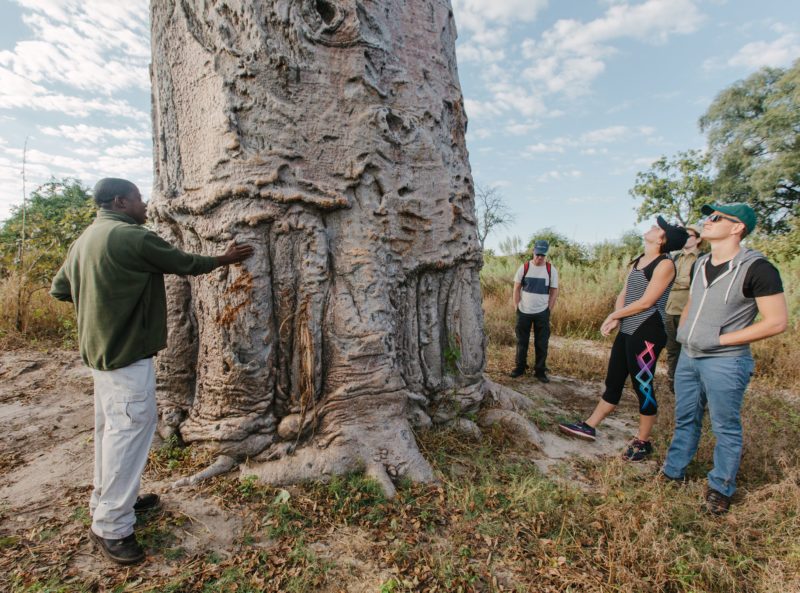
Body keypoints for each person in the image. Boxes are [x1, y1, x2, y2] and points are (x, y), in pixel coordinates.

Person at [50, 178, 254, 565]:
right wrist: (226, 259)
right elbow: (186, 264)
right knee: (128, 435)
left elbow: (61, 289)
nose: (146, 206)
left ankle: (108, 501)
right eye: (140, 200)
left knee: (111, 433)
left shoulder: (85, 240)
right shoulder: (132, 237)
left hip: (99, 356)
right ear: (121, 201)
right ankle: (112, 527)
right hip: (127, 357)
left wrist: (104, 297)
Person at [662, 203, 787, 515]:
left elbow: (776, 322)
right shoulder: (702, 261)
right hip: (689, 356)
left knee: (725, 425)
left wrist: (717, 340)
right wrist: (685, 332)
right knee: (685, 417)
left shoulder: (758, 268)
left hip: (726, 361)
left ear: (736, 228)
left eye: (717, 217)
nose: (709, 220)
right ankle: (673, 471)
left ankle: (720, 487)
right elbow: (692, 300)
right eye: (709, 216)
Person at [558, 217, 688, 462]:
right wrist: (617, 317)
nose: (652, 227)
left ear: (662, 239)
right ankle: (589, 425)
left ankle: (643, 442)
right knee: (613, 379)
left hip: (648, 332)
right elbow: (625, 293)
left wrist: (614, 314)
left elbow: (647, 302)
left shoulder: (665, 265)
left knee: (643, 385)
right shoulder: (640, 260)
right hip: (628, 327)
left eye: (658, 228)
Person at [510, 239, 559, 382]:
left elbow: (554, 291)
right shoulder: (524, 267)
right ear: (533, 252)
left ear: (546, 255)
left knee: (541, 343)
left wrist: (548, 309)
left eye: (542, 255)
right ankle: (520, 367)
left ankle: (540, 371)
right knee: (521, 341)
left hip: (542, 313)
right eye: (537, 254)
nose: (539, 258)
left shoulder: (551, 270)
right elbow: (516, 288)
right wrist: (516, 307)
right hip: (523, 312)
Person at [663, 224, 703, 392]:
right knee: (672, 348)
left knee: (689, 348)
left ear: (699, 239)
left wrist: (674, 282)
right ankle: (673, 380)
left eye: (690, 235)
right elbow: (666, 281)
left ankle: (692, 384)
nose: (686, 238)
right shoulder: (674, 257)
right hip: (670, 308)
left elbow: (694, 283)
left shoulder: (702, 259)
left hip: (690, 310)